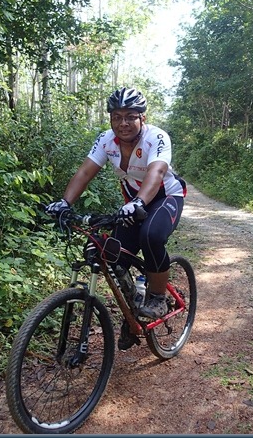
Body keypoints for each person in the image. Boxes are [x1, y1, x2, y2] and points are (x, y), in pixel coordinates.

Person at [44, 87, 186, 349]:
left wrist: (139, 203)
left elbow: (156, 173)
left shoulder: (156, 137)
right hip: (134, 202)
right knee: (112, 255)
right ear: (110, 119)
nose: (123, 123)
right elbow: (85, 173)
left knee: (151, 236)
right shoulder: (106, 140)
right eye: (117, 117)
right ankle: (133, 310)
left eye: (130, 116)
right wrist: (65, 203)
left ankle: (157, 297)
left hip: (164, 197)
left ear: (142, 118)